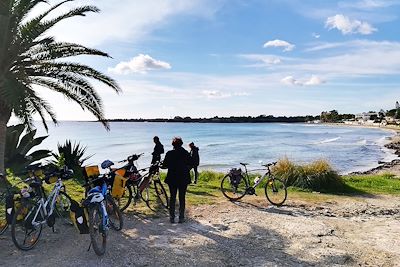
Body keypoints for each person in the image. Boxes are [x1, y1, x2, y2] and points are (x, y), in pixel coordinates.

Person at [161, 137, 192, 223]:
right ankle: (181, 217)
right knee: (182, 198)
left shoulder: (169, 153)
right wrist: (186, 169)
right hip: (183, 178)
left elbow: (164, 166)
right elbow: (192, 163)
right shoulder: (185, 153)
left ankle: (172, 217)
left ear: (173, 145)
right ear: (181, 144)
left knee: (172, 197)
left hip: (172, 178)